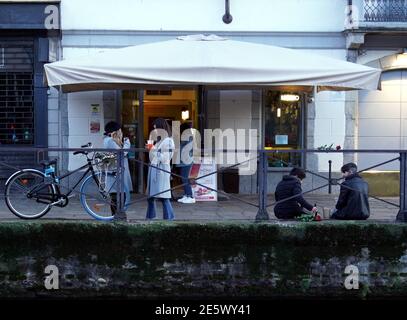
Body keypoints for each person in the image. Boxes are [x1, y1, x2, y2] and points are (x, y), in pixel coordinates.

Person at [146, 118, 175, 220]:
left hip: (161, 170)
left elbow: (165, 158)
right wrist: (151, 148)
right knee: (151, 196)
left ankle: (169, 218)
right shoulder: (160, 141)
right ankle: (151, 217)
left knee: (164, 196)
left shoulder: (168, 141)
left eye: (156, 129)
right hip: (155, 169)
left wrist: (152, 148)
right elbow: (153, 157)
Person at [103, 121, 133, 216]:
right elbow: (121, 153)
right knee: (117, 196)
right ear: (116, 131)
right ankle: (117, 216)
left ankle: (118, 215)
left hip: (118, 171)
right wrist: (128, 143)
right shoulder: (109, 141)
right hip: (116, 172)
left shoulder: (111, 140)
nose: (121, 132)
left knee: (119, 195)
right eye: (120, 130)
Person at [176, 122, 195, 204]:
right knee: (183, 178)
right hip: (185, 161)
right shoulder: (188, 136)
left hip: (186, 161)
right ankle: (186, 195)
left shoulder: (188, 137)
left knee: (185, 178)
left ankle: (190, 196)